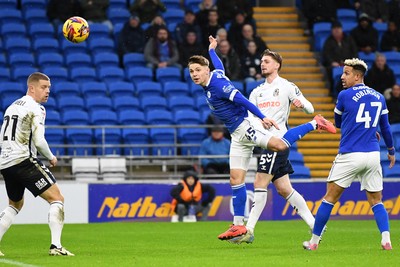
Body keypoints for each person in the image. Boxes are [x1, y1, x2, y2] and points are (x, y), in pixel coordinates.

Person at [188, 36, 336, 241]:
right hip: (238, 133)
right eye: (191, 72)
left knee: (274, 151)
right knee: (243, 180)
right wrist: (212, 50)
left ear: (206, 70)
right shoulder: (221, 78)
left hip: (246, 127)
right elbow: (220, 66)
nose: (194, 74)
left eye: (197, 70)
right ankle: (238, 226)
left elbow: (240, 99)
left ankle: (314, 123)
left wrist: (262, 116)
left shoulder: (220, 86)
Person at [303, 58, 396, 251]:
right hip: (372, 155)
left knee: (329, 198)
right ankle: (386, 239)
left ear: (358, 76)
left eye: (346, 73)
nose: (342, 76)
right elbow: (385, 127)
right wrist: (391, 150)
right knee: (376, 200)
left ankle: (313, 242)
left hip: (350, 154)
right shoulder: (379, 96)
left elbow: (337, 124)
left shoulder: (344, 95)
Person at [228, 49, 318, 244]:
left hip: (278, 141)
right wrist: (260, 122)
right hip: (264, 141)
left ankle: (248, 230)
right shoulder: (256, 92)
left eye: (267, 61)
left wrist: (300, 103)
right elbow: (250, 118)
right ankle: (315, 224)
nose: (263, 64)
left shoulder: (287, 86)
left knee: (260, 183)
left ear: (277, 65)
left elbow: (311, 108)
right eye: (262, 61)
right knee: (284, 188)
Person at [0, 72, 74, 256]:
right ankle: (56, 247)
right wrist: (50, 157)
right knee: (57, 198)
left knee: (14, 205)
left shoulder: (12, 106)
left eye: (49, 87)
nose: (48, 91)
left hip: (6, 163)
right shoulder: (36, 108)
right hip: (23, 160)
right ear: (31, 88)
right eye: (43, 87)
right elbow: (40, 141)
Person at [321, 21, 358, 96]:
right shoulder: (328, 41)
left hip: (349, 64)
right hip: (334, 64)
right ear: (332, 30)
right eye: (334, 29)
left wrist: (351, 63)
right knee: (329, 70)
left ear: (342, 29)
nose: (337, 30)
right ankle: (333, 92)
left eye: (338, 28)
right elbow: (326, 54)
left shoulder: (349, 39)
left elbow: (354, 52)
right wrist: (332, 62)